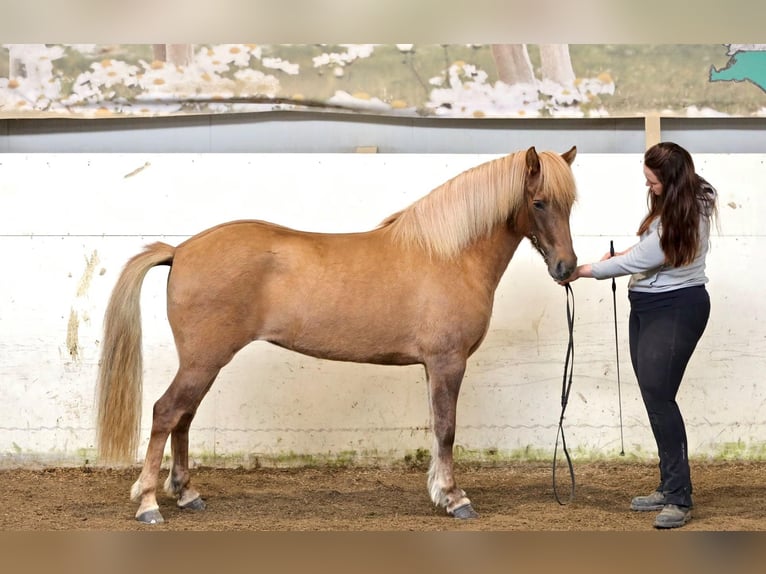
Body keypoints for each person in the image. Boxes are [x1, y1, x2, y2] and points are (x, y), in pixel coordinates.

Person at [561, 141, 718, 529]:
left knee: (661, 399)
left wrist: (586, 271)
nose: (649, 188)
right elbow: (645, 246)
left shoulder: (689, 212)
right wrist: (614, 259)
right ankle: (669, 485)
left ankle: (680, 498)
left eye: (653, 182)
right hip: (648, 308)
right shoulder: (674, 204)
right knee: (654, 397)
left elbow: (648, 256)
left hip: (676, 308)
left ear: (672, 180)